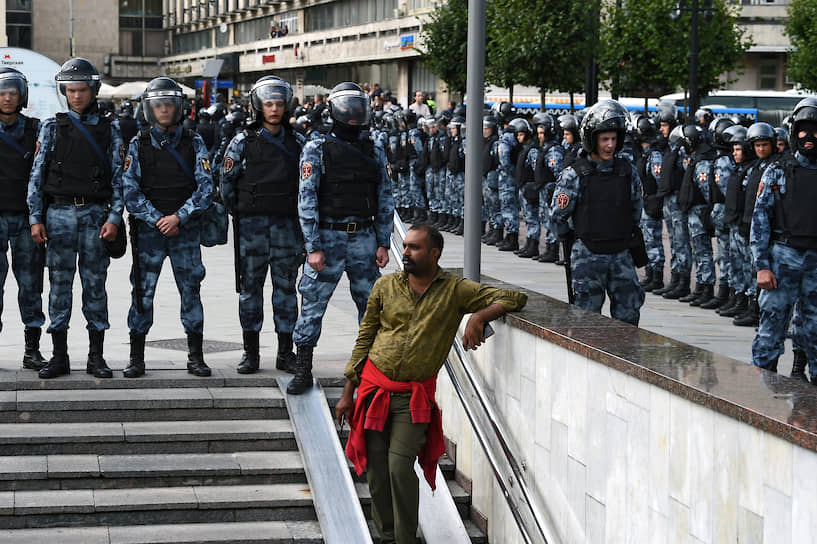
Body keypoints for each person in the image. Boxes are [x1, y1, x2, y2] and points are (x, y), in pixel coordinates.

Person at [335, 224, 527, 544]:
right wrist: (346, 394)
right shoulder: (385, 287)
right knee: (377, 473)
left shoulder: (454, 290)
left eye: (414, 248)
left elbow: (513, 297)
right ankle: (386, 536)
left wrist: (478, 317)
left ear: (434, 253)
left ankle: (406, 538)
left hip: (413, 399)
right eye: (406, 246)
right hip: (373, 389)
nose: (406, 253)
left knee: (398, 467)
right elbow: (365, 337)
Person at [289, 82, 394, 395]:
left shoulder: (374, 147)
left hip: (363, 235)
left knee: (372, 305)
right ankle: (303, 368)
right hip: (328, 237)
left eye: (357, 107)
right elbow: (306, 198)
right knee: (312, 305)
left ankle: (370, 369)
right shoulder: (316, 147)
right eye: (347, 107)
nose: (353, 114)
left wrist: (383, 240)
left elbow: (385, 194)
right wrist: (313, 247)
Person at [29, 58, 125, 379]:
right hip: (58, 214)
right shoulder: (52, 127)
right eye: (70, 91)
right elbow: (37, 175)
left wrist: (114, 217)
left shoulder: (110, 129)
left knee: (95, 284)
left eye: (82, 90)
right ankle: (59, 356)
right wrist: (35, 218)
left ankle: (96, 357)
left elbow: (118, 179)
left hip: (95, 215)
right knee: (59, 284)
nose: (76, 96)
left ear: (93, 89)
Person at [121, 77, 213, 378]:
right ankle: (136, 357)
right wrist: (157, 219)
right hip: (149, 233)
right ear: (150, 108)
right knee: (142, 294)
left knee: (191, 292)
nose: (163, 110)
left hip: (184, 232)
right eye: (158, 105)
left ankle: (196, 356)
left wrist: (179, 217)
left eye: (169, 104)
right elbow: (130, 191)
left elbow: (206, 188)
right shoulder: (138, 143)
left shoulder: (194, 141)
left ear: (178, 107)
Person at [221, 76, 305, 375]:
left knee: (285, 289)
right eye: (268, 104)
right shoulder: (242, 141)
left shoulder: (298, 142)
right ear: (258, 106)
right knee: (250, 290)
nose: (274, 109)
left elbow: (308, 186)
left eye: (279, 104)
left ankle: (285, 353)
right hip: (252, 228)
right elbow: (226, 184)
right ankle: (250, 354)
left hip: (286, 227)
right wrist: (242, 212)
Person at [550, 99, 645, 326]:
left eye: (613, 139)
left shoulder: (626, 171)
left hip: (621, 254)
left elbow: (635, 209)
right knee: (586, 322)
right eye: (604, 139)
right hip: (588, 255)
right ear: (592, 139)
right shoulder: (574, 175)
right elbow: (558, 218)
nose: (610, 145)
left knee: (628, 319)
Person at [751, 97, 817, 377]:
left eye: (816, 129)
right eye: (804, 129)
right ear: (794, 132)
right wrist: (762, 266)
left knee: (814, 328)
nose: (810, 136)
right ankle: (761, 390)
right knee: (771, 329)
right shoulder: (778, 171)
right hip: (782, 261)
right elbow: (760, 220)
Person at [0, 68, 46, 371]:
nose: (6, 97)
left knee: (31, 286)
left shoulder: (36, 130)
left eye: (12, 92)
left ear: (22, 96)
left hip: (26, 219)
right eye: (2, 92)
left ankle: (32, 349)